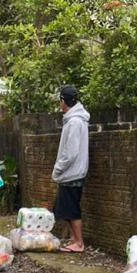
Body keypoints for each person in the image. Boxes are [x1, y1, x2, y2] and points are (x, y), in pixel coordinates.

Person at [52, 85, 90, 253]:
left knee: (72, 210)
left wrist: (58, 168)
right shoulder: (75, 119)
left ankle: (79, 243)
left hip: (72, 173)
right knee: (64, 209)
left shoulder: (74, 122)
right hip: (72, 172)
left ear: (63, 101)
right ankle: (74, 239)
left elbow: (71, 152)